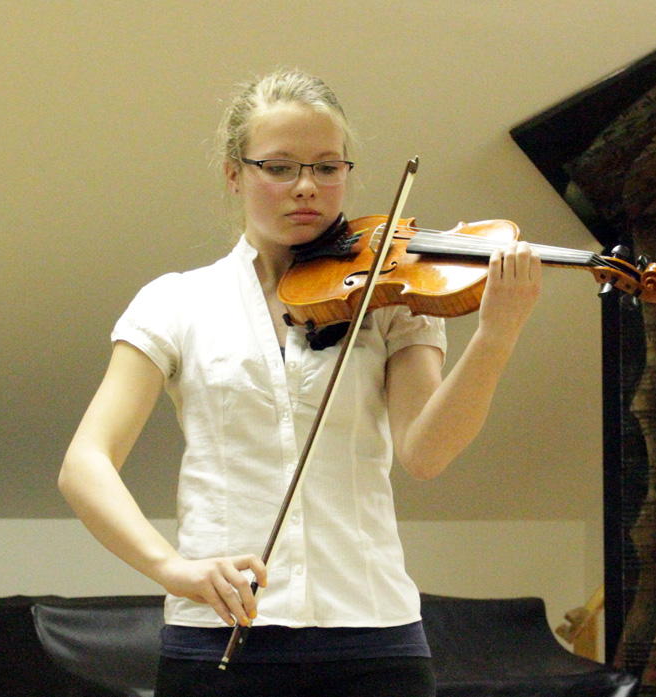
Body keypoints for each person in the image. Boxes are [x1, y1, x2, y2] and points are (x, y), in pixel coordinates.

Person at [58, 68, 542, 697]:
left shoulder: (389, 299)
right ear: (235, 175)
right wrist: (171, 569)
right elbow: (85, 464)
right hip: (220, 636)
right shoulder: (177, 302)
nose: (307, 186)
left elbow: (425, 454)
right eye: (279, 167)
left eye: (327, 167)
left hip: (375, 637)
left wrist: (496, 337)